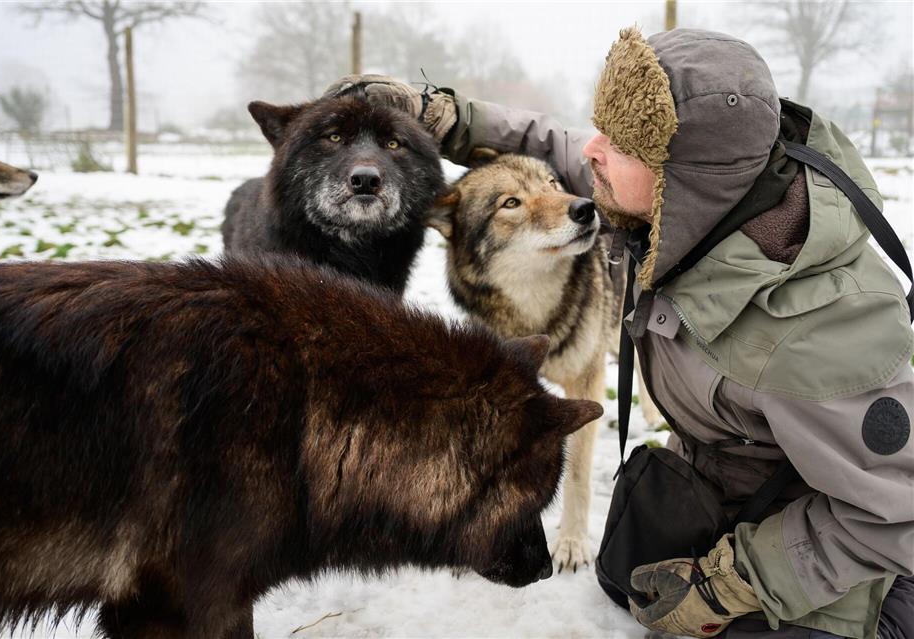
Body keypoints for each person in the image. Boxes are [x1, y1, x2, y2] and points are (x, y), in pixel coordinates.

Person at [325, 26, 914, 639]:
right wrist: (449, 119)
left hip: (849, 563)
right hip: (730, 489)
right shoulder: (678, 207)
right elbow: (554, 144)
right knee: (623, 580)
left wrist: (725, 587)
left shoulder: (821, 328)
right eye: (600, 129)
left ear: (689, 179)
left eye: (620, 143)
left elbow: (894, 512)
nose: (591, 154)